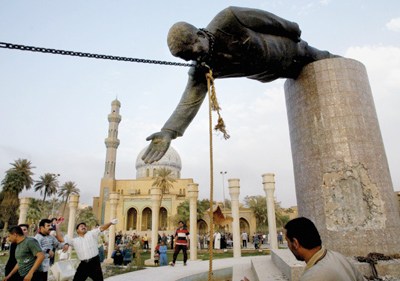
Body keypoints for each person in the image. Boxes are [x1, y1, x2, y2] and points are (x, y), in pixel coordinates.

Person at [141, 6, 339, 164]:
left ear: (199, 34)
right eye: (188, 57)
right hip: (277, 72)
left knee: (330, 64)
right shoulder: (202, 68)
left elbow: (268, 20)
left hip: (293, 50)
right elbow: (188, 101)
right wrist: (168, 132)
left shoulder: (230, 19)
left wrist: (292, 29)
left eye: (194, 49)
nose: (195, 56)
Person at [284, 217, 366, 281]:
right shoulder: (338, 257)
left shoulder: (313, 277)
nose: (288, 246)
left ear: (295, 243)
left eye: (288, 241)